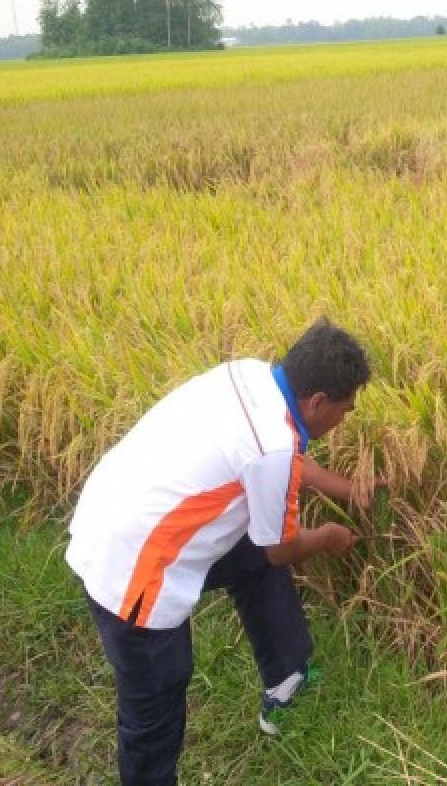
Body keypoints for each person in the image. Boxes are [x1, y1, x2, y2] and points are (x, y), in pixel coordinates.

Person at [65, 318, 379, 786]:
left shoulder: (251, 377)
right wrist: (330, 538)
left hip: (112, 514)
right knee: (156, 701)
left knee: (249, 557)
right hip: (133, 566)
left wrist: (349, 489)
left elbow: (284, 462)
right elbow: (281, 547)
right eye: (345, 409)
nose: (344, 419)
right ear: (317, 402)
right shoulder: (271, 445)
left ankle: (286, 681)